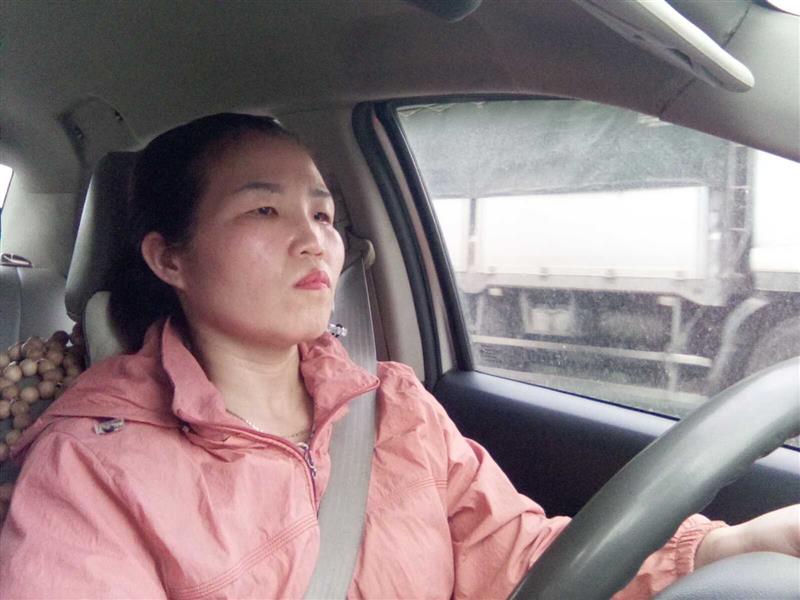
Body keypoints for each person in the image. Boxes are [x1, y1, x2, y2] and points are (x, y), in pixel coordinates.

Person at [0, 113, 796, 599]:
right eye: (264, 209)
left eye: (323, 213)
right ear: (169, 258)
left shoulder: (392, 408)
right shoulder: (90, 468)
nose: (312, 238)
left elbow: (520, 562)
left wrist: (728, 548)